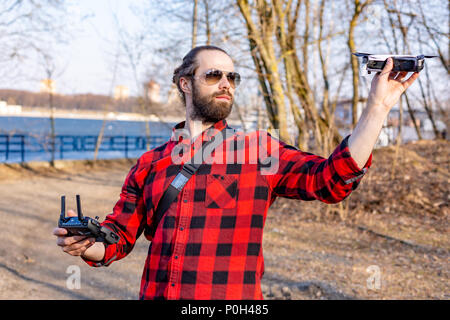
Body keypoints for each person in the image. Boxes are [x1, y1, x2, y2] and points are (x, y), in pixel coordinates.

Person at [53, 45, 419, 300]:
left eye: (232, 76)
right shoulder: (150, 164)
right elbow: (118, 237)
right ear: (185, 83)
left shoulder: (259, 151)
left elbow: (330, 179)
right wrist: (88, 245)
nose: (226, 83)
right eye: (213, 75)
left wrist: (377, 108)